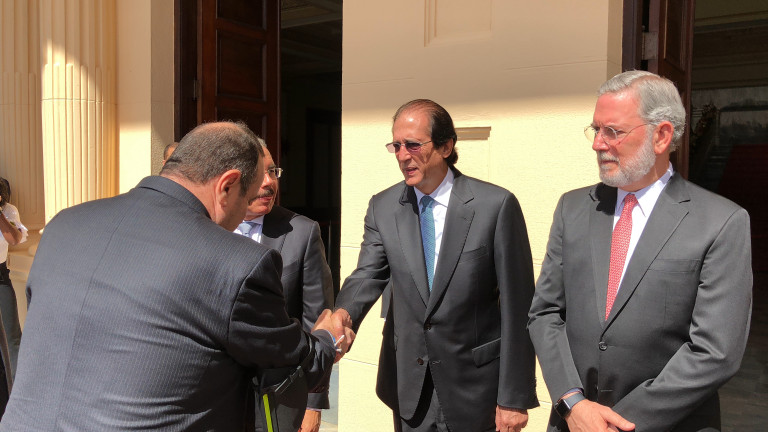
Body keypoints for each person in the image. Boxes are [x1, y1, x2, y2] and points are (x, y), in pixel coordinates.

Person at [0, 121, 353, 431]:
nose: (242, 215)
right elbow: (291, 359)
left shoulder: (64, 224)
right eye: (245, 200)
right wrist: (327, 339)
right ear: (228, 185)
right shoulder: (235, 262)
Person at [528, 71, 753, 432]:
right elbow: (545, 313)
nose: (597, 144)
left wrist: (619, 424)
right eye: (595, 129)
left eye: (613, 131)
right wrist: (572, 403)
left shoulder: (721, 222)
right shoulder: (573, 208)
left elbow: (715, 352)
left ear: (661, 135)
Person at [332, 99, 538, 432]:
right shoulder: (383, 207)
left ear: (445, 146)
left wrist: (514, 397)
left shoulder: (495, 206)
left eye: (413, 145)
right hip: (410, 388)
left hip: (476, 390)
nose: (402, 155)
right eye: (396, 145)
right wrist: (343, 314)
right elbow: (368, 274)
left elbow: (519, 306)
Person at [234, 145, 334, 432]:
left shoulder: (301, 232)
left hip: (280, 397)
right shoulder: (206, 226)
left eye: (273, 171)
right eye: (259, 173)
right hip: (217, 396)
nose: (269, 183)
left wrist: (313, 403)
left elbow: (317, 321)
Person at [0, 178, 26, 379]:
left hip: (0, 277)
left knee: (12, 337)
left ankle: (18, 386)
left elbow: (14, 239)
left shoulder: (9, 211)